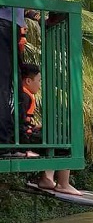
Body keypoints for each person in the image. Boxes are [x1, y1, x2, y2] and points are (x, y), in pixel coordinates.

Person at [1, 0, 51, 149]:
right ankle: (6, 137)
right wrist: (49, 13)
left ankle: (3, 139)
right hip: (11, 26)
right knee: (6, 84)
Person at [18, 63, 81, 194]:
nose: (40, 85)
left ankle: (47, 179)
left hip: (22, 135)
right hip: (22, 139)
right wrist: (27, 140)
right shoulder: (24, 97)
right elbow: (17, 124)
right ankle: (63, 184)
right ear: (28, 81)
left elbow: (20, 121)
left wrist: (35, 127)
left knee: (52, 135)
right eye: (39, 81)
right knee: (64, 143)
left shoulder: (22, 94)